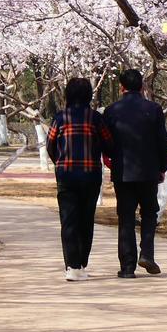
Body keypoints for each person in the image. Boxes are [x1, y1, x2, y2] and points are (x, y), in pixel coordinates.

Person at [103, 69, 167, 278]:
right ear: (142, 86)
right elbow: (162, 142)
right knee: (149, 213)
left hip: (123, 172)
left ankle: (127, 267)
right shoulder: (154, 109)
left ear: (122, 87)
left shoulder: (112, 110)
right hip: (149, 171)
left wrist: (109, 157)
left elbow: (106, 141)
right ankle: (147, 253)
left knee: (126, 217)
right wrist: (162, 167)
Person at [46, 78, 112, 282]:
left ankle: (72, 266)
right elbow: (109, 144)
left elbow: (50, 145)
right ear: (88, 95)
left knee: (68, 221)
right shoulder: (95, 118)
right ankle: (81, 263)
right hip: (90, 175)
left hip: (66, 175)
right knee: (86, 219)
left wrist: (60, 161)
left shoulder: (60, 117)